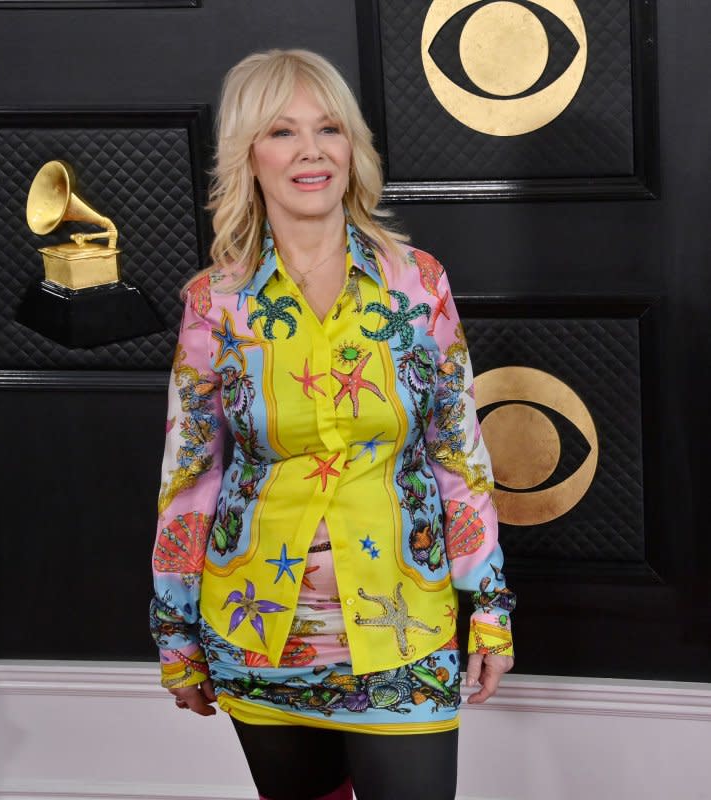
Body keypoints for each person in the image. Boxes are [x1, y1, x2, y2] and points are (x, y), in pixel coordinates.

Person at [149, 48, 515, 800]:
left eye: (329, 129)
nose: (311, 151)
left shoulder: (418, 283)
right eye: (282, 131)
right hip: (258, 635)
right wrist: (176, 634)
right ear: (248, 155)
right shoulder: (215, 303)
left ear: (353, 147)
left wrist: (490, 610)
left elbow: (460, 458)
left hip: (404, 630)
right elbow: (189, 479)